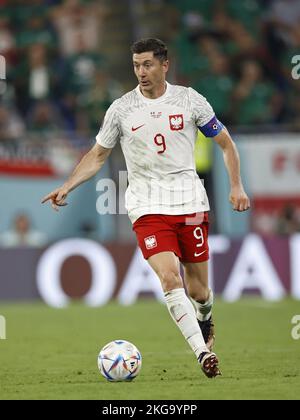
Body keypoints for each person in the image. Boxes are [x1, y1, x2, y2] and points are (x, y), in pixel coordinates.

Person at [42, 38, 250, 378]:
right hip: (147, 206)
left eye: (148, 65)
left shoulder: (189, 99)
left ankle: (206, 315)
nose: (141, 72)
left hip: (190, 202)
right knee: (170, 277)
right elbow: (97, 156)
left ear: (164, 65)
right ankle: (202, 353)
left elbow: (226, 143)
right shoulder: (121, 109)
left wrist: (236, 185)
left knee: (198, 290)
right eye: (137, 65)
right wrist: (67, 185)